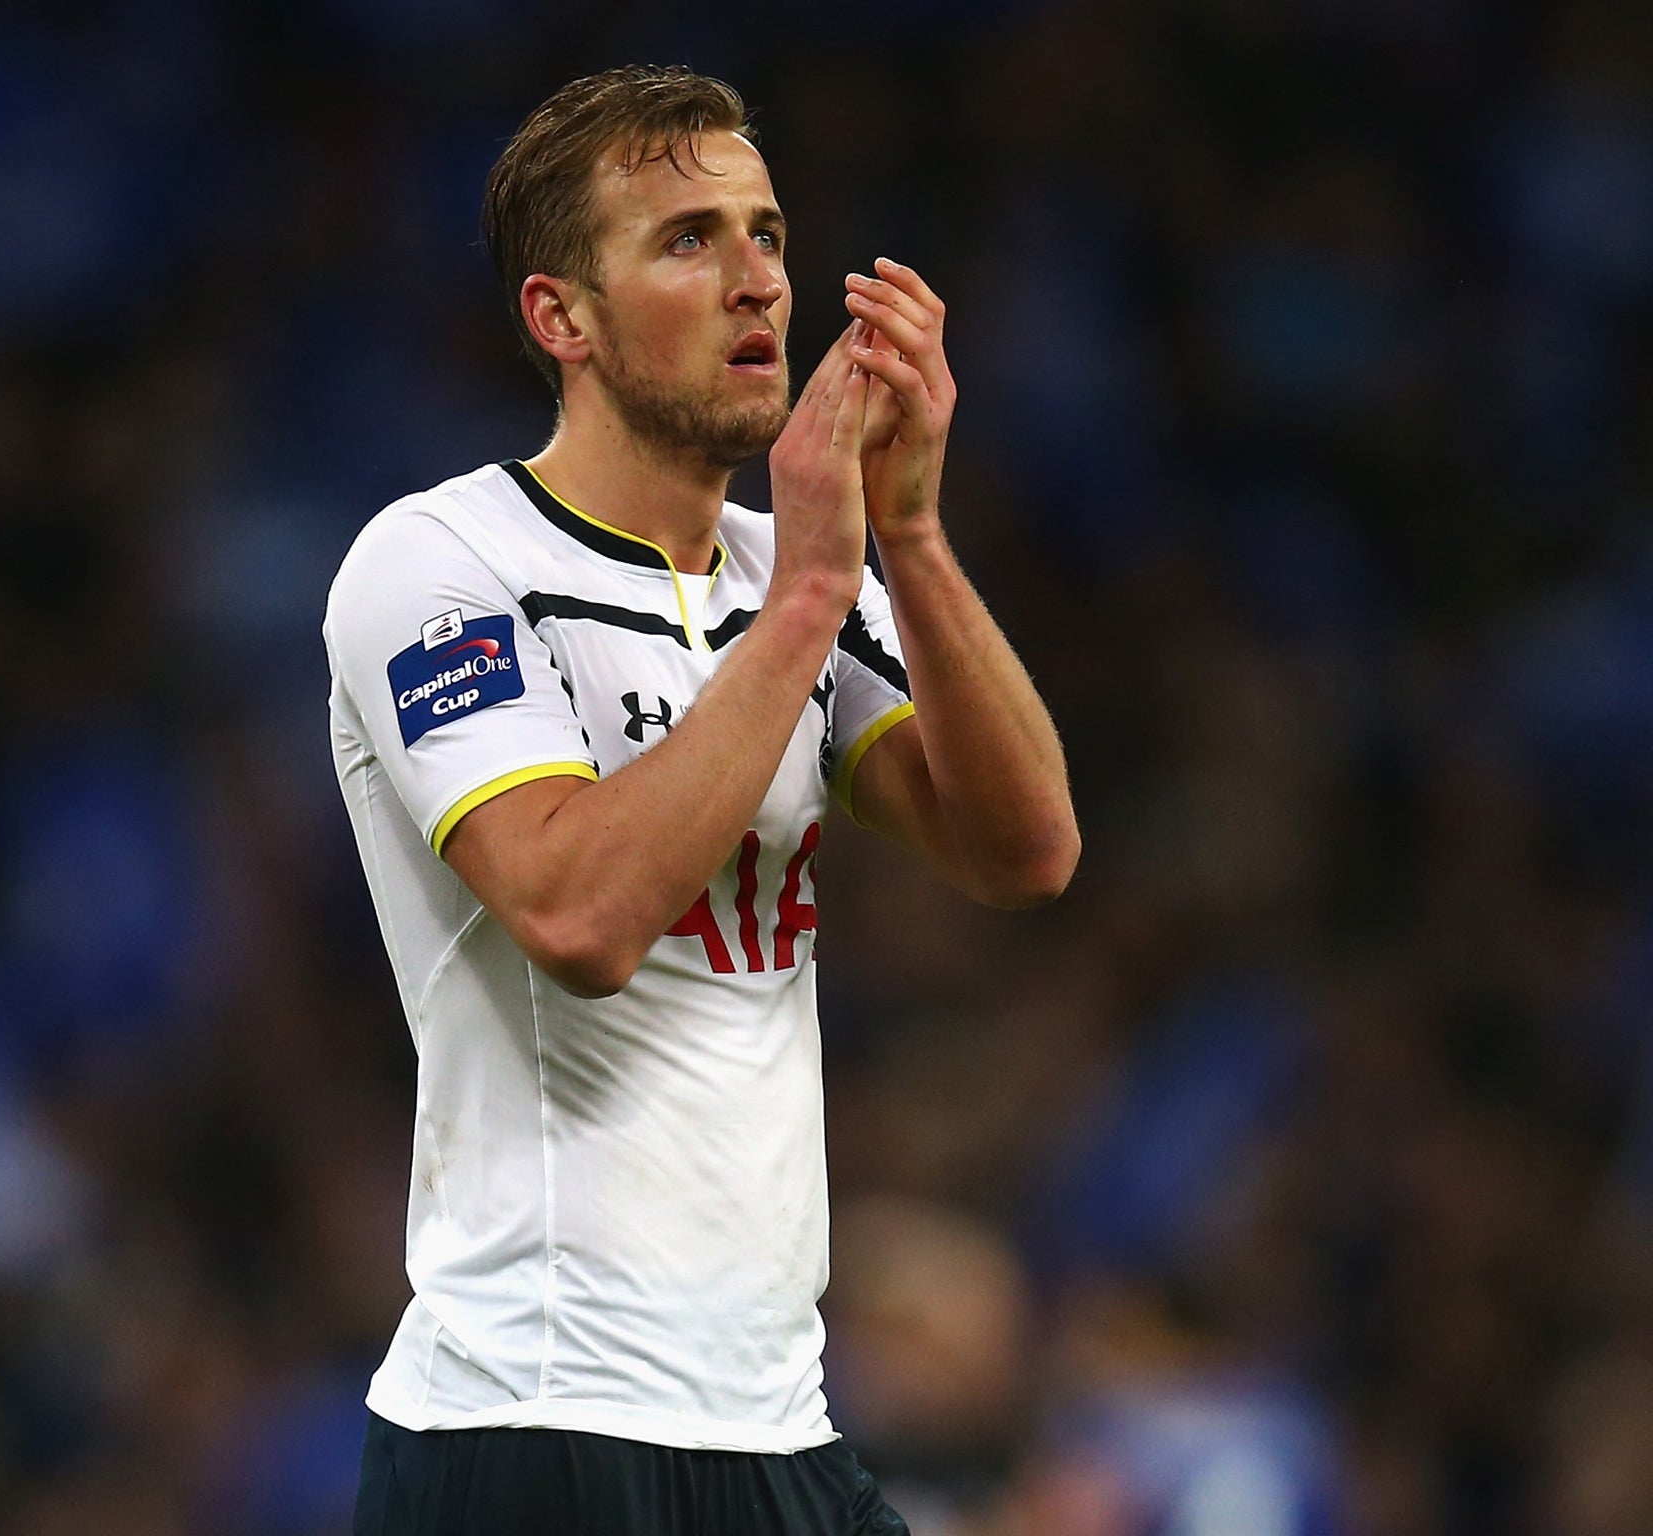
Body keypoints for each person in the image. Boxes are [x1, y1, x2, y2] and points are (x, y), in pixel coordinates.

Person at [323, 64, 1078, 1536]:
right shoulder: (442, 564)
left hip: (773, 1417)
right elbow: (577, 912)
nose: (757, 284)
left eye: (770, 236)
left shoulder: (789, 568)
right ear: (564, 320)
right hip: (535, 1427)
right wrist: (809, 587)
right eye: (688, 240)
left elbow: (1024, 851)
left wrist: (908, 537)